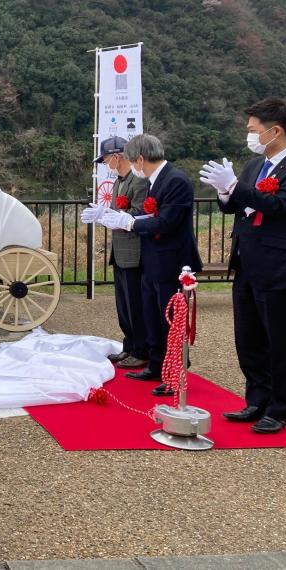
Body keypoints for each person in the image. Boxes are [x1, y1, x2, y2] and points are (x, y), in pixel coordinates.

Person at [200, 96, 286, 434]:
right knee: (248, 338)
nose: (249, 135)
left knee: (279, 340)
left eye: (253, 130)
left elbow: (279, 206)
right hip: (246, 262)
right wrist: (224, 192)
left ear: (275, 130)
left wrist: (236, 187)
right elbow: (236, 206)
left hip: (279, 265)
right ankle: (257, 398)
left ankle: (280, 407)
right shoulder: (255, 165)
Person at [96, 134, 202, 395]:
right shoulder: (155, 180)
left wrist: (131, 223)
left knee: (170, 320)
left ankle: (175, 372)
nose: (133, 166)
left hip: (172, 260)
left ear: (140, 159)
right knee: (152, 316)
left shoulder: (175, 180)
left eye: (133, 161)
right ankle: (156, 365)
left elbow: (166, 221)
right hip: (152, 258)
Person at [81, 136, 149, 369]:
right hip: (120, 250)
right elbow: (115, 210)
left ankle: (141, 350)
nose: (104, 164)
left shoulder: (138, 181)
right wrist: (103, 214)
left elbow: (140, 212)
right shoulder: (119, 181)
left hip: (134, 250)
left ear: (117, 157)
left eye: (105, 159)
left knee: (135, 304)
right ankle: (129, 345)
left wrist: (113, 217)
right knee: (123, 304)